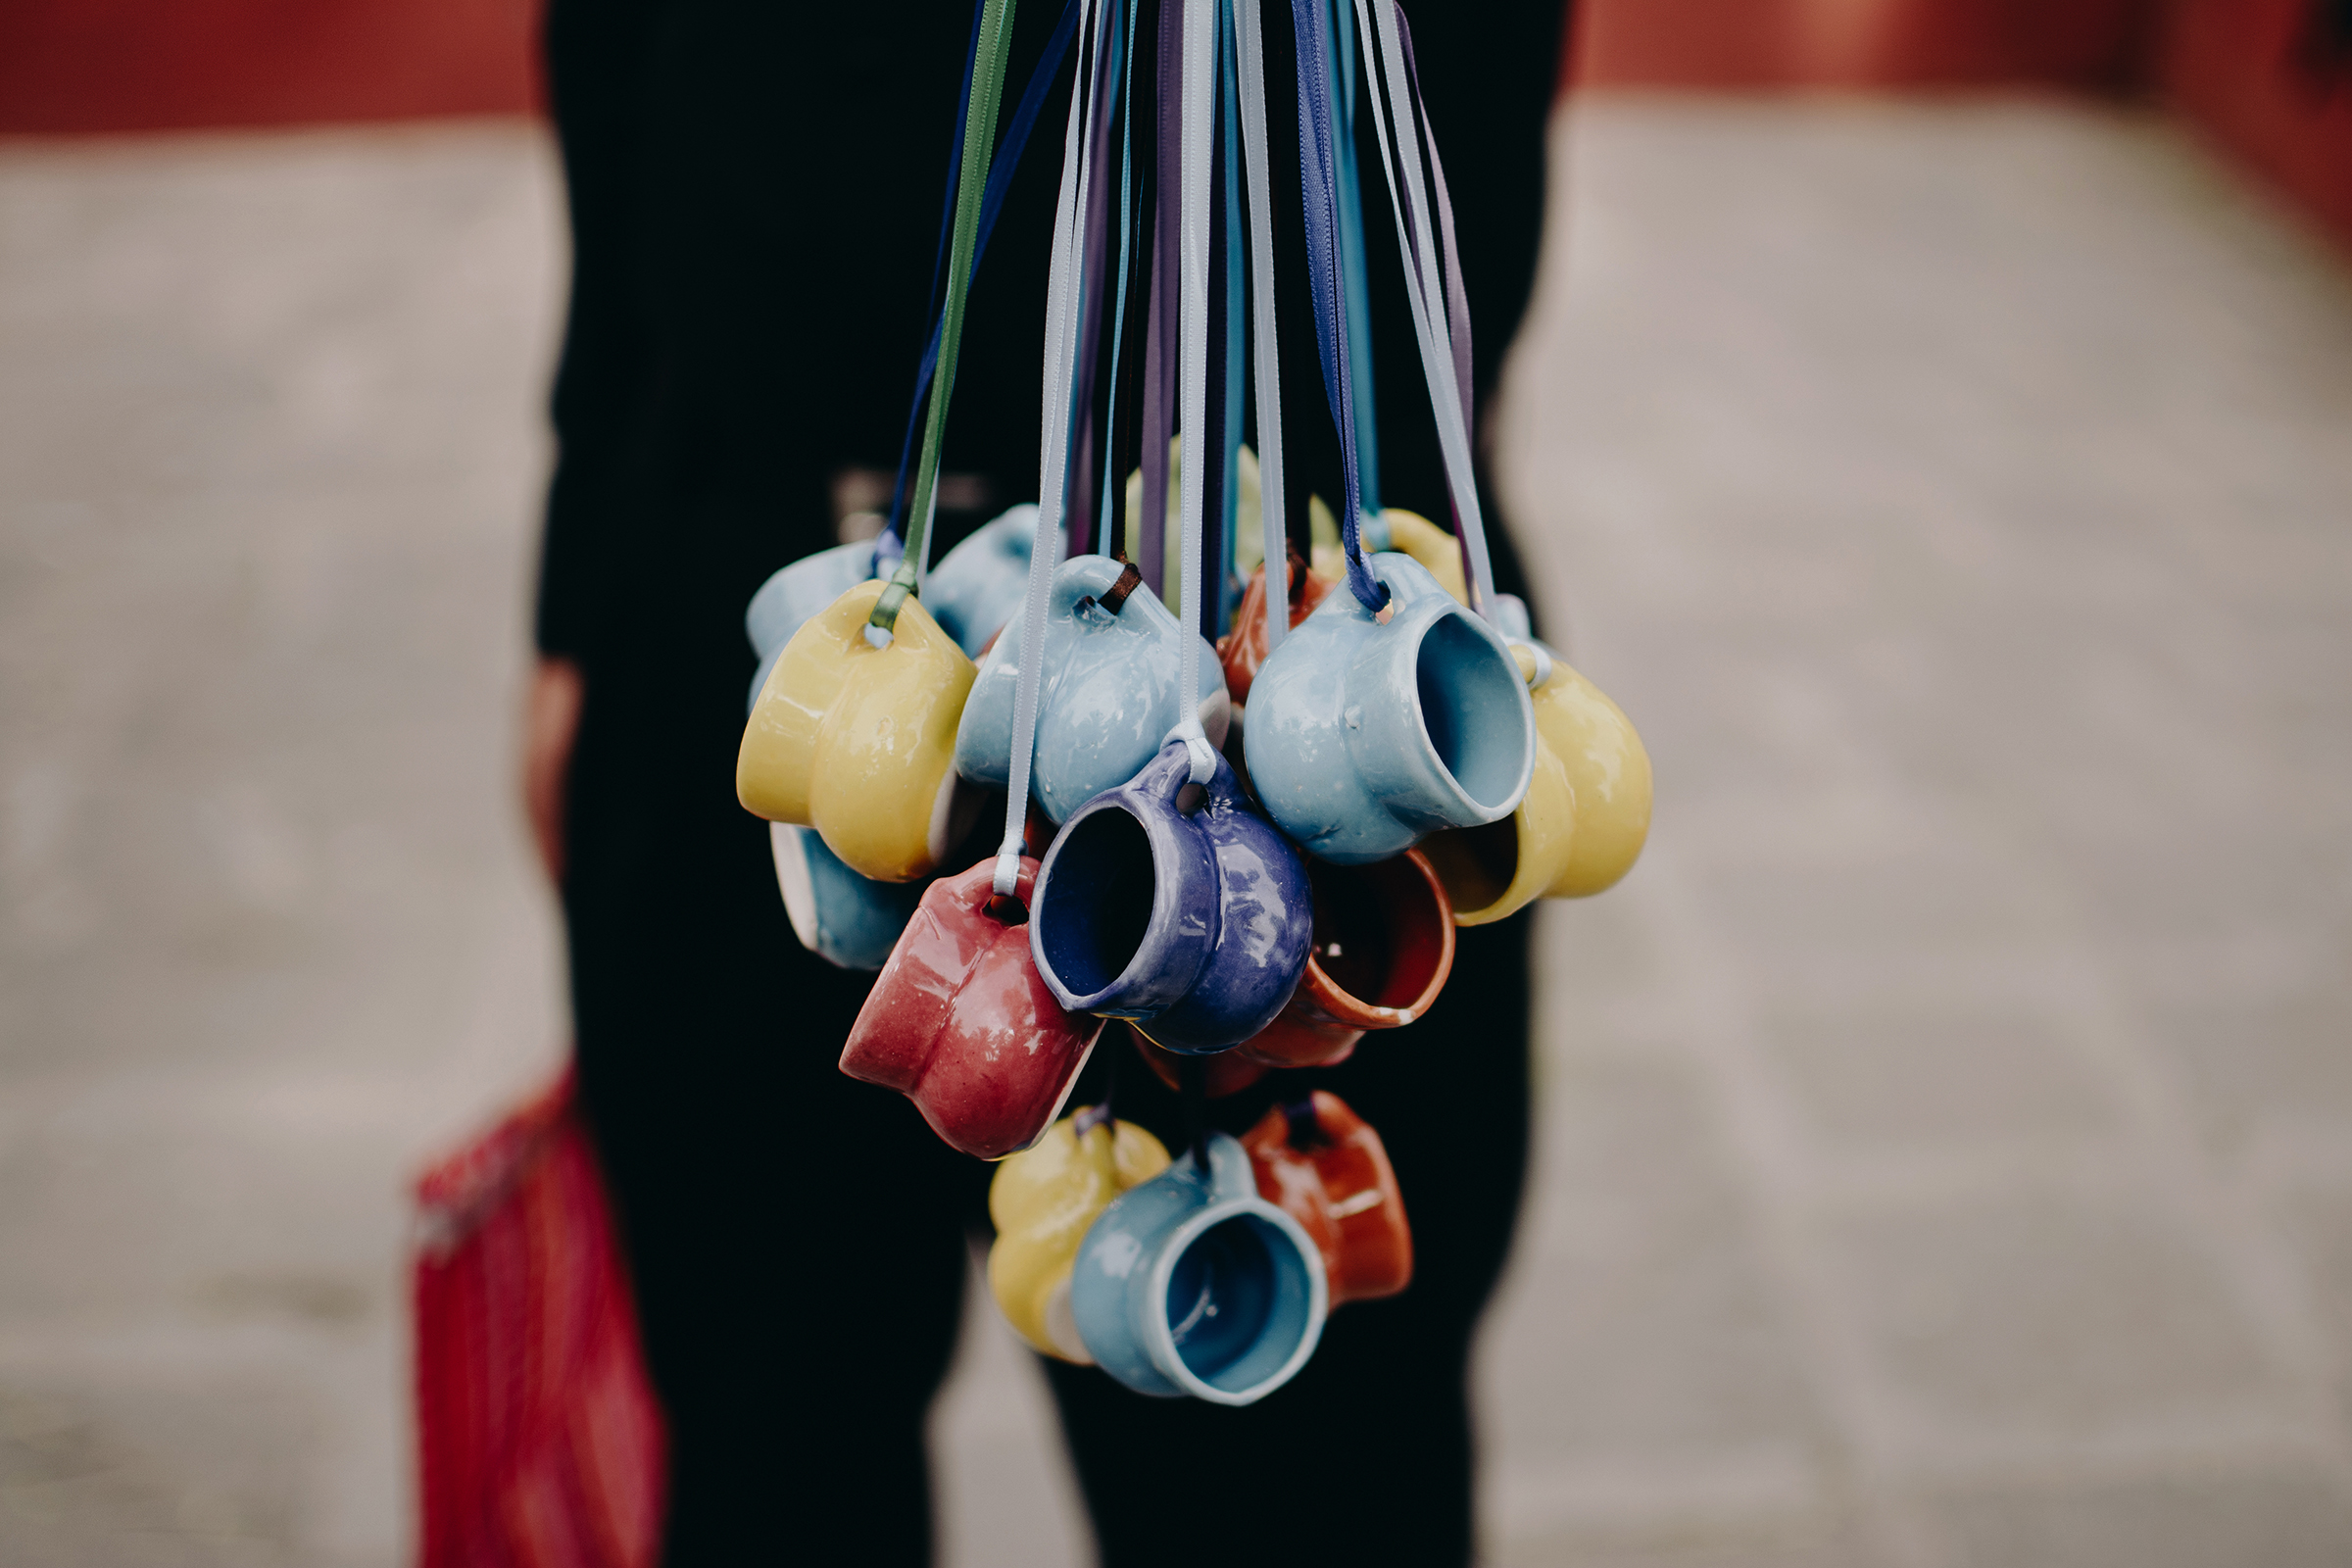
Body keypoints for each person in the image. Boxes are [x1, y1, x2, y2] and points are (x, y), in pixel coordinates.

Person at [518, 2, 1569, 1562]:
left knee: (1299, 1469)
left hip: (1275, 656)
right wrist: (581, 593)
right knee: (769, 1438)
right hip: (758, 592)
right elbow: (619, 81)